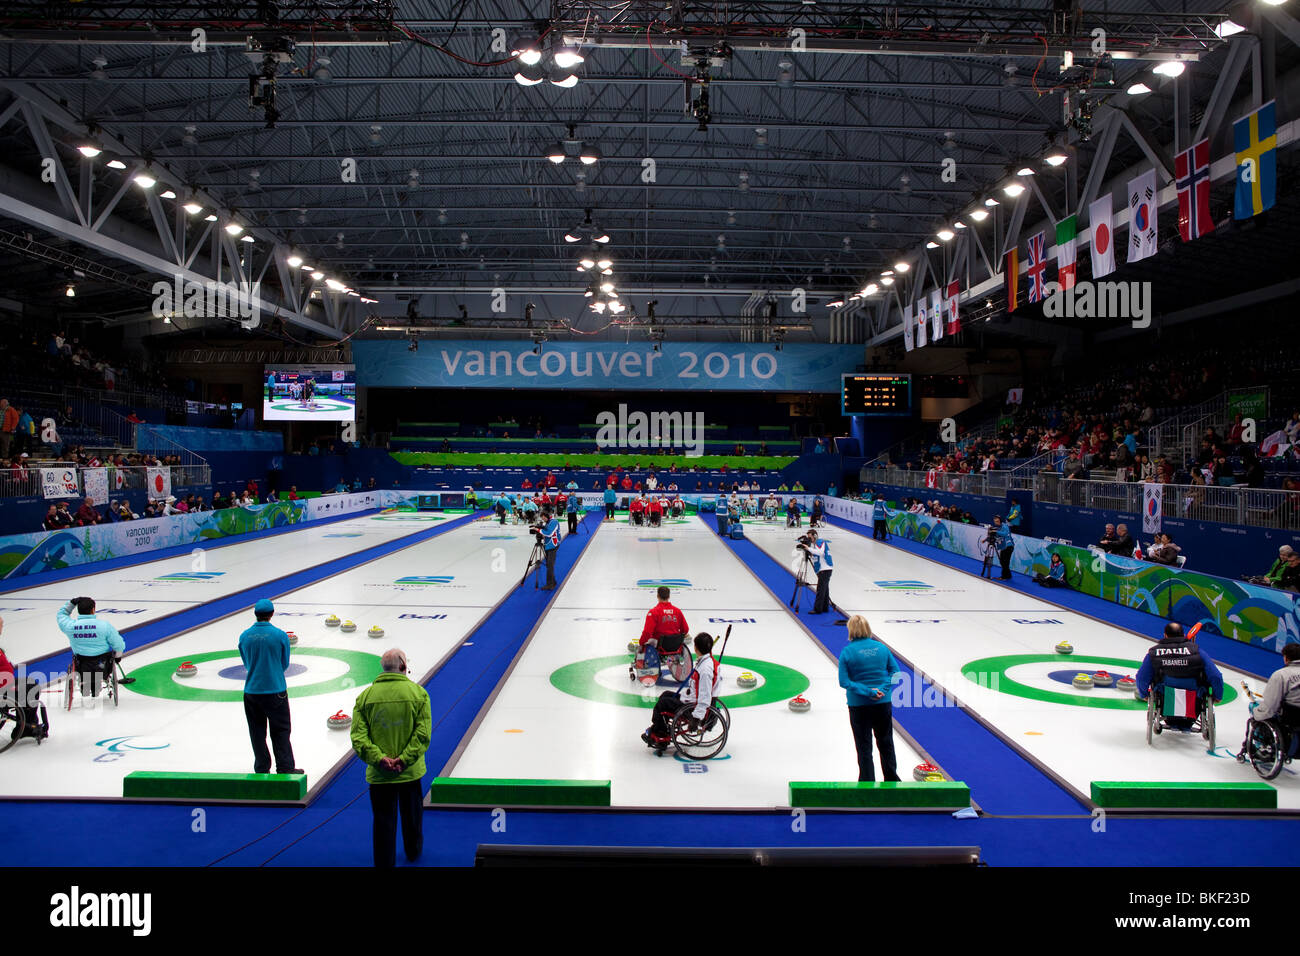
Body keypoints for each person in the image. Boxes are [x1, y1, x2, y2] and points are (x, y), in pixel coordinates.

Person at [350, 647, 431, 868]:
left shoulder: (365, 697)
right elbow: (422, 735)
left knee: (383, 819)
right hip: (410, 771)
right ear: (403, 667)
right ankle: (413, 852)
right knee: (412, 816)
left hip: (380, 774)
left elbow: (358, 737)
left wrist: (379, 759)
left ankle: (384, 862)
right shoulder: (418, 694)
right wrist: (404, 759)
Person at [237, 599, 302, 775]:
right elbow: (284, 663)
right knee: (281, 730)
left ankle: (261, 767)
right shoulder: (280, 635)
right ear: (272, 614)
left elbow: (246, 663)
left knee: (257, 732)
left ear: (256, 614)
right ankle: (285, 767)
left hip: (252, 691)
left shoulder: (244, 636)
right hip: (275, 689)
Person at [838, 615, 900, 782]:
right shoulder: (881, 648)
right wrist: (882, 690)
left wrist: (868, 692)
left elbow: (844, 682)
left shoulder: (847, 652)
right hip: (882, 703)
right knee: (886, 742)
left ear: (850, 630)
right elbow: (895, 673)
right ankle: (892, 780)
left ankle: (867, 781)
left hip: (859, 705)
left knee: (864, 746)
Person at [642, 632, 719, 754]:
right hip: (692, 700)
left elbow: (705, 697)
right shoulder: (708, 662)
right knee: (665, 695)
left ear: (696, 648)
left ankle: (661, 736)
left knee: (661, 705)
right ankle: (660, 728)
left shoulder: (705, 670)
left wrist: (696, 718)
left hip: (693, 707)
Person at [56, 597, 125, 701]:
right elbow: (118, 644)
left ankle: (86, 683)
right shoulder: (104, 626)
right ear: (93, 609)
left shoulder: (70, 626)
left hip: (81, 664)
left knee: (83, 664)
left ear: (78, 610)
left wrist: (71, 603)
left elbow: (61, 615)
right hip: (103, 665)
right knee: (103, 661)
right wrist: (118, 656)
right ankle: (95, 684)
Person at [0, 617, 47, 742]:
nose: (2, 628)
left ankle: (25, 724)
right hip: (3, 690)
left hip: (5, 684)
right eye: (1, 625)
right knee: (32, 688)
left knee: (29, 683)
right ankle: (25, 728)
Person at [635, 586, 689, 672]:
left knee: (644, 643)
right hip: (675, 646)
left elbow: (647, 633)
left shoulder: (653, 612)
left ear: (657, 596)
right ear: (669, 596)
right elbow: (685, 630)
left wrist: (641, 644)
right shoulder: (677, 611)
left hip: (659, 645)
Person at [1249, 643, 1300, 730]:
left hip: (1291, 717)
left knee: (1253, 706)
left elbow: (1270, 705)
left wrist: (1256, 713)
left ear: (1286, 658)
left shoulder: (1281, 675)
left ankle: (1259, 739)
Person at [803, 529, 834, 614]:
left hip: (825, 569)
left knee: (820, 589)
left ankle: (817, 609)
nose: (810, 540)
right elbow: (817, 557)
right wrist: (809, 552)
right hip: (825, 569)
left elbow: (820, 552)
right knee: (824, 589)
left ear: (815, 536)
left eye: (810, 537)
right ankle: (825, 607)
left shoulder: (819, 542)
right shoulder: (816, 544)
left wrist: (808, 548)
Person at [533, 507, 560, 590]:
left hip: (553, 545)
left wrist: (538, 530)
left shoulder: (554, 522)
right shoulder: (548, 522)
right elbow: (546, 530)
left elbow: (549, 533)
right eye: (542, 518)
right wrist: (539, 527)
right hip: (548, 545)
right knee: (549, 564)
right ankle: (553, 581)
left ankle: (550, 584)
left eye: (544, 517)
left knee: (550, 565)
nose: (543, 519)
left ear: (547, 516)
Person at [991, 514, 1014, 580]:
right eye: (995, 521)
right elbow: (998, 538)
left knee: (1004, 562)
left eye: (997, 521)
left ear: (1000, 520)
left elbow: (1005, 534)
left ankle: (1004, 576)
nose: (996, 523)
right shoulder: (998, 528)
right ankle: (1008, 575)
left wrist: (996, 531)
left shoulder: (1005, 526)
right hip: (1004, 546)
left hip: (1008, 546)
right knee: (1003, 561)